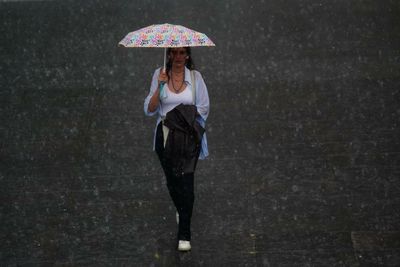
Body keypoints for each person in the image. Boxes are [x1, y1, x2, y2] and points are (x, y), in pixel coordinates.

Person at [143, 47, 210, 251]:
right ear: (169, 55)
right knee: (173, 182)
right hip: (165, 137)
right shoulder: (159, 74)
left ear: (188, 55)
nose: (179, 57)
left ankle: (184, 235)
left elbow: (204, 108)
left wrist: (182, 117)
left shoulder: (196, 77)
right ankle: (183, 209)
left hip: (189, 139)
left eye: (183, 53)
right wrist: (160, 86)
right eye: (175, 53)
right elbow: (149, 108)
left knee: (187, 183)